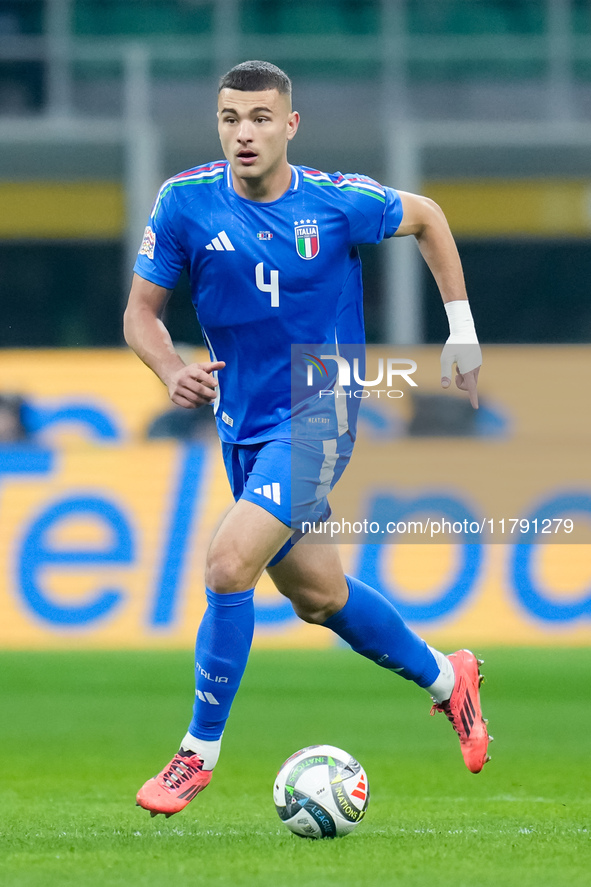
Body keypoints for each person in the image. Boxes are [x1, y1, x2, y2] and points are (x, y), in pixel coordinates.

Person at [124, 60, 490, 819]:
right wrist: (169, 370)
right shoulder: (185, 202)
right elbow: (141, 314)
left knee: (228, 565)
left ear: (289, 125)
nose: (243, 133)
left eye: (260, 118)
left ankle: (197, 753)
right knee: (319, 597)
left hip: (320, 408)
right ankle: (449, 680)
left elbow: (427, 216)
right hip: (243, 422)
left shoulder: (332, 203)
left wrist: (460, 334)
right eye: (230, 118)